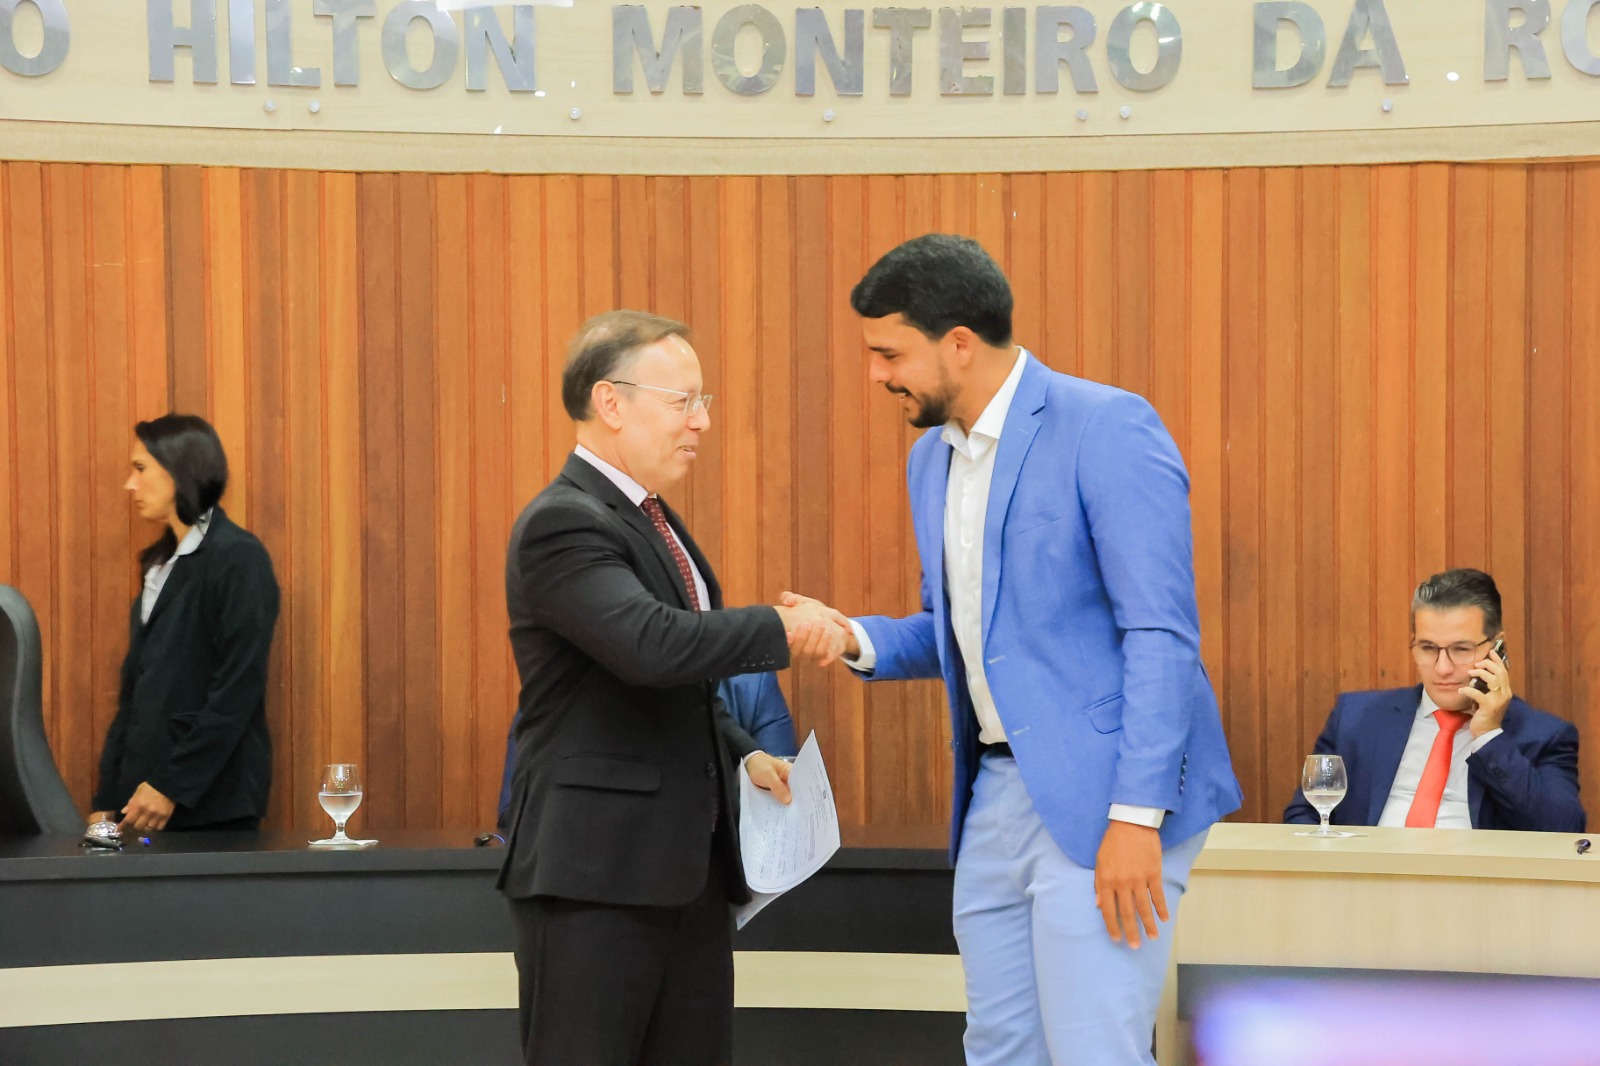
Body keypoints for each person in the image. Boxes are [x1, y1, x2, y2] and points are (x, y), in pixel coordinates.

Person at [785, 234, 1242, 1065]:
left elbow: (1162, 634)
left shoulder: (1106, 426)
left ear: (959, 343)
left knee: (1095, 1052)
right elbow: (965, 635)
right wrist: (853, 636)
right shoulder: (930, 461)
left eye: (890, 353)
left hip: (1107, 799)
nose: (877, 375)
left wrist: (1135, 817)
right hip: (992, 798)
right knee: (998, 1050)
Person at [498, 310, 837, 1066]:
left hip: (685, 876)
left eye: (702, 401)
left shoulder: (652, 519)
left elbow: (677, 686)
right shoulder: (563, 522)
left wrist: (744, 752)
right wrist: (785, 627)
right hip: (597, 877)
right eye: (683, 401)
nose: (702, 422)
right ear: (610, 402)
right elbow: (649, 646)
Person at [89, 414, 279, 834]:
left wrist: (172, 785)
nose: (130, 485)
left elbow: (238, 688)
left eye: (141, 469)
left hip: (210, 806)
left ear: (180, 470)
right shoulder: (158, 565)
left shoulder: (238, 558)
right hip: (138, 804)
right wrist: (107, 800)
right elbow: (135, 694)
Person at [1284, 568, 1584, 832]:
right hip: (1367, 873)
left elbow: (1563, 831)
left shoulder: (1544, 735)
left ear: (1497, 649)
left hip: (1472, 877)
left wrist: (1489, 736)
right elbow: (1304, 814)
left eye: (1461, 649)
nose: (1442, 668)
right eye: (1428, 648)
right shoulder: (1355, 717)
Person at [495, 671, 797, 829]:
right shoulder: (558, 683)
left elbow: (783, 798)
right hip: (589, 879)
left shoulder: (749, 682)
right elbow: (516, 810)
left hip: (725, 881)